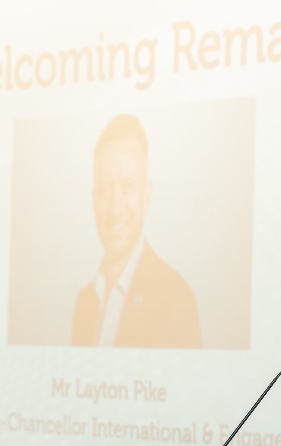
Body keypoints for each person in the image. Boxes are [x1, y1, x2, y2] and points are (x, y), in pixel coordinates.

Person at [71, 114, 201, 348]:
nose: (115, 209)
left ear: (146, 196)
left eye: (127, 187)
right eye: (105, 190)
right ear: (93, 200)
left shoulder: (176, 300)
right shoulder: (84, 302)